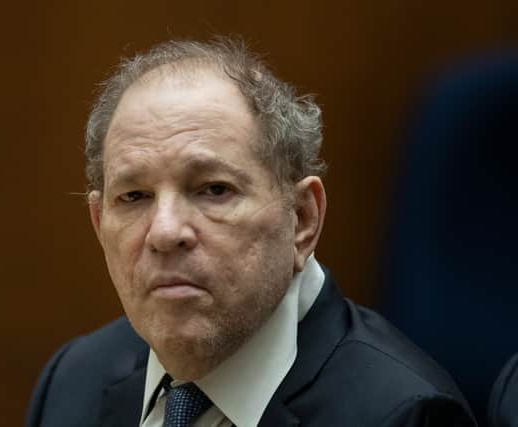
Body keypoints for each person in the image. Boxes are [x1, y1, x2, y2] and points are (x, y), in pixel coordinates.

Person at [25, 37, 477, 427]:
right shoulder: (72, 381)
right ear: (99, 225)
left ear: (301, 219)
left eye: (213, 190)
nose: (164, 232)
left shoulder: (404, 413)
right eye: (134, 196)